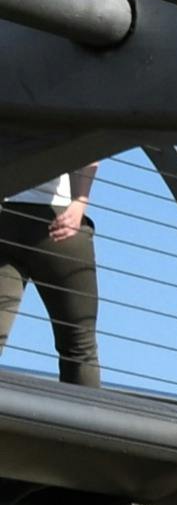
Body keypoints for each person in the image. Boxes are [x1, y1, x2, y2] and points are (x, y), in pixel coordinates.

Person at [0, 160, 102, 387]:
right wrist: (79, 204)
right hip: (58, 218)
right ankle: (84, 418)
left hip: (5, 218)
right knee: (79, 347)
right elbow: (89, 147)